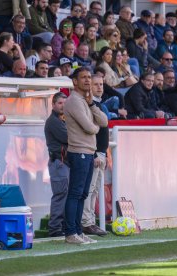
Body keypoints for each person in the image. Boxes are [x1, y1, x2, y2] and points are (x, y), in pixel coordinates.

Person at [63, 67, 108, 244]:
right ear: (75, 81)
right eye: (84, 78)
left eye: (89, 77)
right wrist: (95, 128)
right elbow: (90, 127)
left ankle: (78, 231)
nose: (88, 81)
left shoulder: (85, 101)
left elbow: (104, 121)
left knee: (82, 194)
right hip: (79, 151)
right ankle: (70, 232)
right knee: (75, 193)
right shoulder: (73, 100)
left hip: (88, 152)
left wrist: (91, 104)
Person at [81, 75, 108, 236]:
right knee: (89, 189)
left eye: (101, 84)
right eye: (95, 84)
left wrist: (104, 152)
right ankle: (86, 222)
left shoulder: (99, 105)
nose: (99, 87)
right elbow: (90, 131)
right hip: (94, 152)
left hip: (101, 152)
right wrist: (95, 153)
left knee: (95, 190)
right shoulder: (89, 106)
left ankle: (90, 220)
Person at [45, 92, 69, 237]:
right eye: (60, 103)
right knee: (60, 195)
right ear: (53, 104)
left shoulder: (63, 119)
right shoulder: (53, 121)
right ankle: (54, 229)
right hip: (59, 162)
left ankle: (64, 226)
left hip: (64, 162)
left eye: (65, 103)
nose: (63, 106)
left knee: (65, 195)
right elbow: (68, 137)